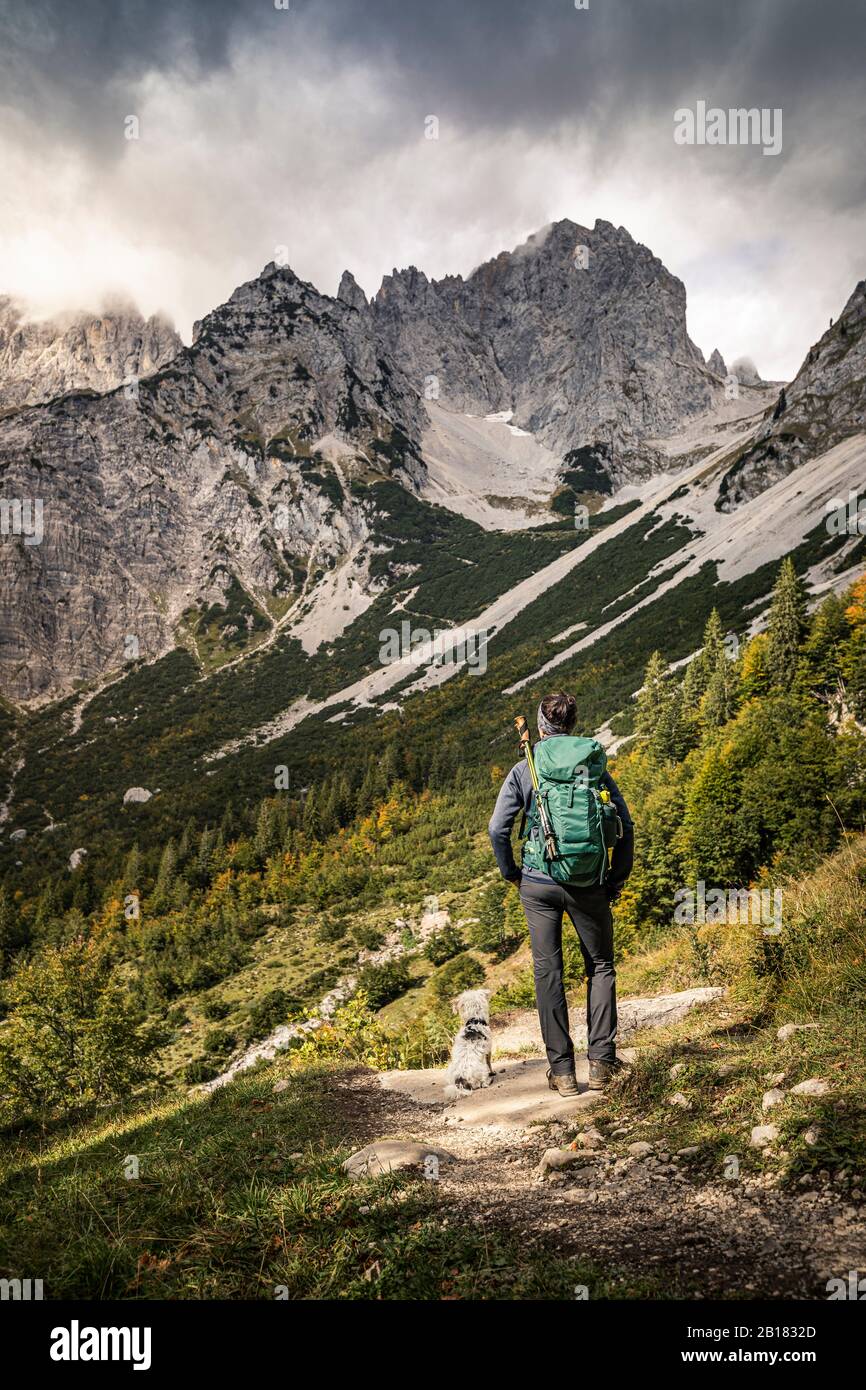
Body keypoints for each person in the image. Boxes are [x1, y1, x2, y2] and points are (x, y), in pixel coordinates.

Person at [488, 692, 634, 1095]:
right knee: (600, 966)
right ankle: (602, 1064)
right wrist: (615, 880)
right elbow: (625, 826)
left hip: (538, 882)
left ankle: (564, 1072)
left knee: (548, 971)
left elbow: (498, 829)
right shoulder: (594, 770)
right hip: (590, 883)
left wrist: (512, 874)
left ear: (541, 727)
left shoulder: (526, 769)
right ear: (571, 725)